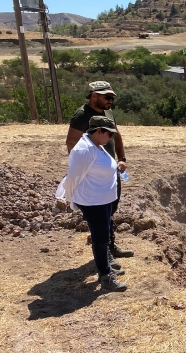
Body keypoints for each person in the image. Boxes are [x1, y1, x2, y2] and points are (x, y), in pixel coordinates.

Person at [66, 81, 134, 269]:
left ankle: (110, 247)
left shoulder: (108, 113)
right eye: (107, 97)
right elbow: (72, 143)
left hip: (110, 171)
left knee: (111, 210)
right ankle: (105, 256)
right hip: (94, 175)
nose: (110, 101)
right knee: (99, 216)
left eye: (112, 97)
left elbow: (117, 136)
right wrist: (85, 170)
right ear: (94, 95)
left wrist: (122, 158)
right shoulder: (82, 115)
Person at [57, 116, 127, 291]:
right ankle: (106, 277)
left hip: (103, 200)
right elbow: (72, 177)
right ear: (98, 131)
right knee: (100, 239)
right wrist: (69, 199)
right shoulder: (84, 150)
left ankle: (106, 269)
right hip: (93, 201)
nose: (111, 137)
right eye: (109, 133)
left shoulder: (97, 145)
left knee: (104, 236)